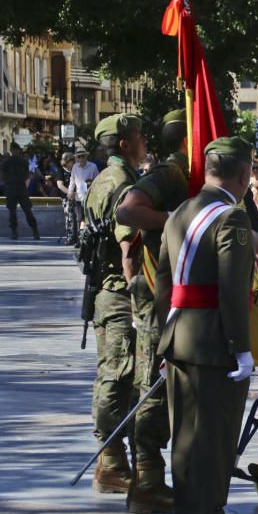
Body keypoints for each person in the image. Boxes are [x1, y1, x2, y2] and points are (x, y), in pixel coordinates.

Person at [153, 136, 258, 514]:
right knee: (213, 436)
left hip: (179, 337)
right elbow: (232, 291)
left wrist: (170, 329)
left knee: (185, 435)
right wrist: (243, 348)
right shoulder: (230, 218)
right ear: (245, 173)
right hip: (214, 343)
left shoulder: (179, 212)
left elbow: (163, 281)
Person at [109, 109, 192, 513]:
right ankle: (147, 481)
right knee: (155, 383)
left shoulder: (189, 173)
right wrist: (175, 223)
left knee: (168, 383)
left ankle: (154, 477)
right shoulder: (173, 172)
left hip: (178, 293)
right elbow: (128, 210)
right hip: (159, 293)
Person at [82, 114, 146, 494]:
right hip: (119, 292)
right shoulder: (122, 184)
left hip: (106, 291)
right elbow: (128, 251)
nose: (145, 142)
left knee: (114, 372)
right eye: (139, 136)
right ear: (124, 143)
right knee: (119, 374)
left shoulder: (103, 178)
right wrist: (139, 296)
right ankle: (111, 460)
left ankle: (111, 459)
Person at [0, 143, 39, 240]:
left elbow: (2, 177)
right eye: (14, 150)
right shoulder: (8, 162)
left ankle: (34, 230)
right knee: (13, 212)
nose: (15, 152)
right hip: (15, 189)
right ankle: (15, 231)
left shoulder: (20, 161)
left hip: (19, 189)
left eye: (16, 150)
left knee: (27, 211)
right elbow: (2, 176)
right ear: (12, 150)